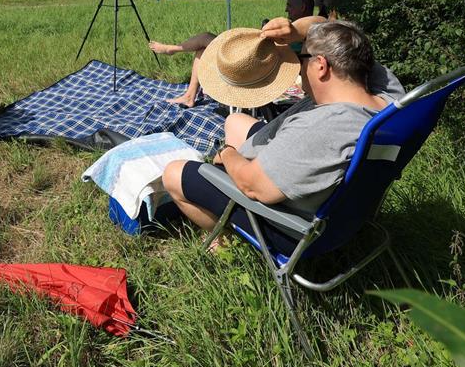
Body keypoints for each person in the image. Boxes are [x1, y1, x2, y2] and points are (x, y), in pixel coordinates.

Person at [161, 16, 405, 251]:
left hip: (294, 227)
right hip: (346, 208)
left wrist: (226, 153)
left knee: (174, 173)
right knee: (234, 122)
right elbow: (325, 26)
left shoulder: (320, 129)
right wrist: (296, 32)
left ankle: (227, 239)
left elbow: (252, 185)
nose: (298, 67)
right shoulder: (388, 93)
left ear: (321, 66)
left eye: (301, 57)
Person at [148, 0, 315, 107]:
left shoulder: (308, 34)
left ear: (302, 8)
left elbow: (317, 23)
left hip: (267, 68)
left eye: (290, 6)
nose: (286, 9)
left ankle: (173, 49)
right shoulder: (289, 27)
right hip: (261, 60)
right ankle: (190, 95)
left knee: (206, 38)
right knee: (203, 49)